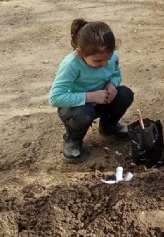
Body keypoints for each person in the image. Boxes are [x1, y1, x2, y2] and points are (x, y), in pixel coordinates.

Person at [49, 19, 134, 163]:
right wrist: (90, 97)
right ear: (80, 52)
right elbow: (56, 98)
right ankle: (73, 140)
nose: (104, 64)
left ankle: (109, 127)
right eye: (98, 61)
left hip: (102, 100)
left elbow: (115, 74)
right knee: (84, 114)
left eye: (108, 58)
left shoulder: (111, 58)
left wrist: (112, 85)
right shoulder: (71, 65)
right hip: (76, 108)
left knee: (125, 94)